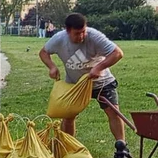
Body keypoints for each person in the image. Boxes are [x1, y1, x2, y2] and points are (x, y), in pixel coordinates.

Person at [39, 12, 125, 142]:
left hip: (102, 82)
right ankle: (68, 146)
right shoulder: (58, 39)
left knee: (113, 112)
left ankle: (122, 146)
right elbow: (43, 52)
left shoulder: (95, 36)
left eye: (83, 32)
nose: (82, 36)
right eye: (77, 33)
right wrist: (52, 67)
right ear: (68, 31)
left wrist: (99, 68)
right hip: (75, 84)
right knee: (68, 116)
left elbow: (117, 53)